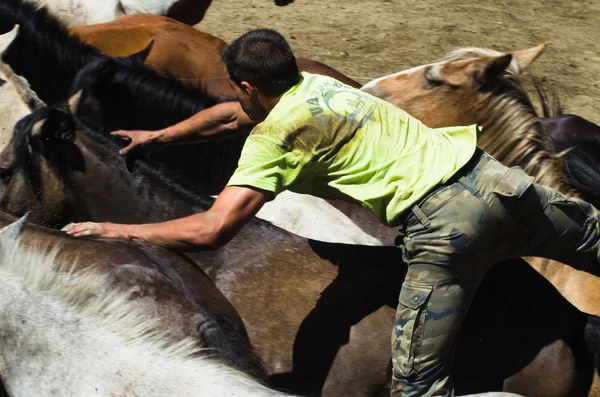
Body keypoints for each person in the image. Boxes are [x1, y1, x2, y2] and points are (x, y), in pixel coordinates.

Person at [62, 28, 600, 397]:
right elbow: (231, 117)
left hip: (450, 229)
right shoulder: (319, 87)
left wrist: (112, 229)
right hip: (499, 184)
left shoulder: (273, 140)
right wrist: (160, 136)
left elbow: (212, 229)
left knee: (415, 385)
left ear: (248, 85)